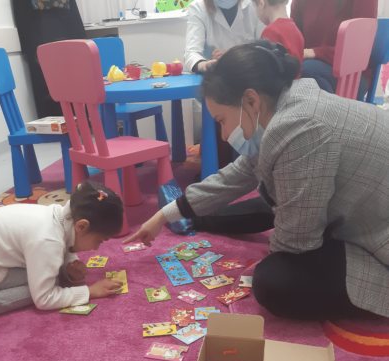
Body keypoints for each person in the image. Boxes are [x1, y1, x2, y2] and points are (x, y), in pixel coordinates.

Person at [124, 39, 389, 321]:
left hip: (377, 238)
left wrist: (280, 248)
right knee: (275, 199)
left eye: (222, 119)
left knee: (273, 279)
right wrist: (164, 215)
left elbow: (295, 244)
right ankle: (195, 218)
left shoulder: (297, 128)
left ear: (250, 100)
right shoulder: (285, 104)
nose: (224, 134)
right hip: (362, 207)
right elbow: (238, 174)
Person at [0, 182, 124, 326]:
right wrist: (89, 291)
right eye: (99, 240)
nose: (97, 248)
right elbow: (43, 299)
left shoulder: (59, 216)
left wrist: (69, 266)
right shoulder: (47, 239)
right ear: (81, 226)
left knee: (51, 273)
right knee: (51, 285)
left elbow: (64, 244)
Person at [185, 0, 265, 168]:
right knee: (222, 107)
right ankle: (221, 165)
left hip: (249, 76)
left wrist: (232, 55)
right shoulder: (198, 8)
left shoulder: (254, 5)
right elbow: (192, 53)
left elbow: (264, 47)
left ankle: (244, 163)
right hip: (217, 77)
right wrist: (208, 64)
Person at [291, 0, 378, 100]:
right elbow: (294, 37)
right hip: (311, 66)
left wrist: (315, 53)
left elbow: (361, 47)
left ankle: (335, 114)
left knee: (308, 72)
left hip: (352, 73)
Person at [252, 0, 304, 74]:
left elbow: (264, 70)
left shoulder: (270, 31)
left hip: (279, 84)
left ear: (261, 3)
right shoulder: (296, 30)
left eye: (254, 6)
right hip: (296, 83)